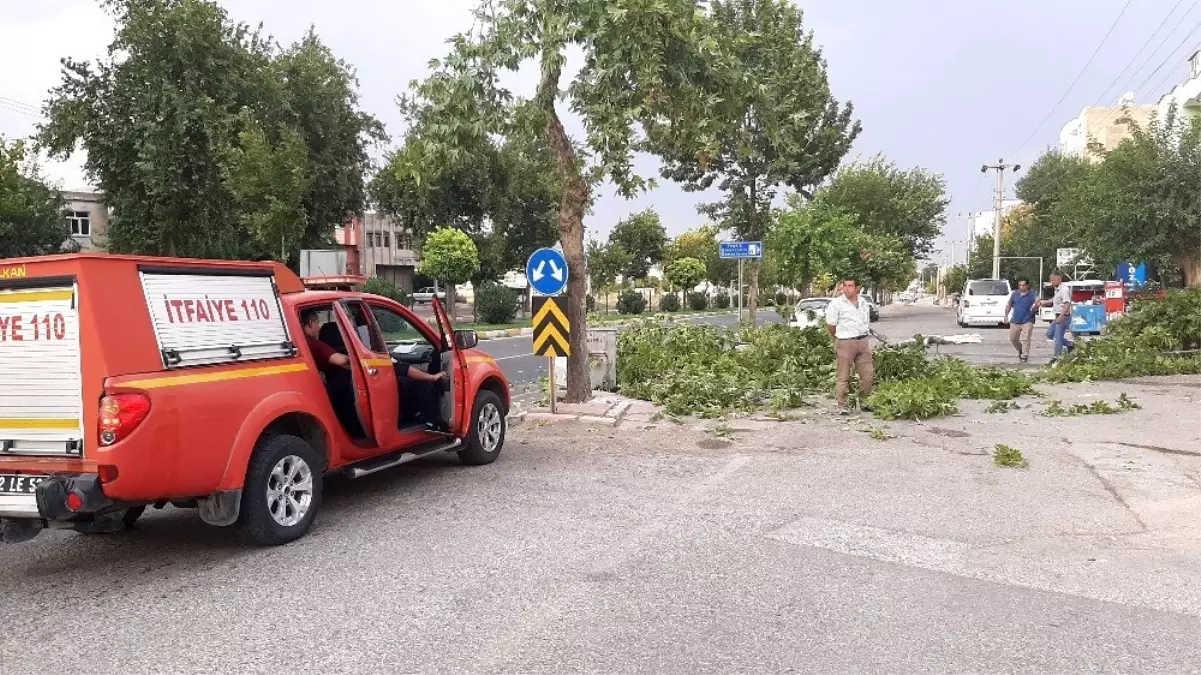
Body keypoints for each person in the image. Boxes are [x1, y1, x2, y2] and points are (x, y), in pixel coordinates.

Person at [825, 277, 874, 413]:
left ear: (857, 288)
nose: (846, 289)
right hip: (845, 342)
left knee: (868, 375)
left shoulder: (863, 303)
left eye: (850, 286)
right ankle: (842, 405)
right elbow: (831, 325)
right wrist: (839, 338)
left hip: (863, 342)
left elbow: (865, 322)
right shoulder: (836, 304)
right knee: (843, 376)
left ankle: (865, 401)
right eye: (844, 285)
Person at [1035, 272, 1073, 363]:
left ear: (1059, 279)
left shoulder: (1064, 289)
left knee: (1058, 338)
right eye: (1051, 280)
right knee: (1050, 334)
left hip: (1063, 316)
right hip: (1057, 316)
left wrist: (1061, 316)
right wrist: (1044, 302)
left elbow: (1067, 303)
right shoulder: (1058, 289)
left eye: (1053, 280)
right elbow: (1055, 299)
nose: (1051, 282)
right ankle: (1070, 345)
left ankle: (1057, 358)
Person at [1004, 278, 1038, 363]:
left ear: (1027, 286)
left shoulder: (1032, 295)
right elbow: (1009, 305)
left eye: (1023, 285)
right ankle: (1020, 350)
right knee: (1013, 338)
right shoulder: (1015, 294)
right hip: (1015, 320)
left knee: (1026, 338)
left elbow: (1036, 306)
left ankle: (1025, 355)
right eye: (1020, 285)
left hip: (1028, 320)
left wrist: (1036, 306)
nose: (1021, 287)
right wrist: (1006, 315)